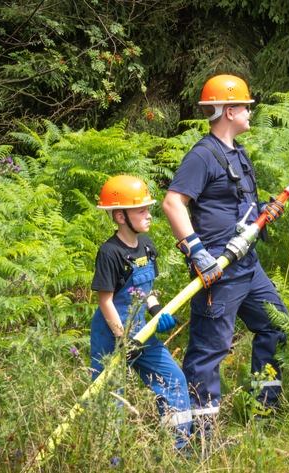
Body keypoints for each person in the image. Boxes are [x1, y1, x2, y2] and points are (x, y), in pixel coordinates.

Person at [162, 74, 288, 436]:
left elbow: (237, 208)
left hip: (247, 266)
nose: (251, 111)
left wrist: (264, 211)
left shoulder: (237, 153)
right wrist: (196, 252)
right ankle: (197, 439)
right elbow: (173, 203)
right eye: (246, 106)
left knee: (276, 327)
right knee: (208, 351)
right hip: (218, 270)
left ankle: (263, 414)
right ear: (229, 110)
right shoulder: (202, 155)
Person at [90, 174, 192, 451]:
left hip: (141, 331)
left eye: (148, 209)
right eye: (141, 211)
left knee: (173, 380)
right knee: (110, 398)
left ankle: (178, 451)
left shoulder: (147, 247)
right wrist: (122, 339)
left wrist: (157, 312)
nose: (149, 215)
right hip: (111, 335)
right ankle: (110, 463)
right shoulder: (109, 253)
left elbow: (146, 291)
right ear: (121, 217)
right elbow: (106, 302)